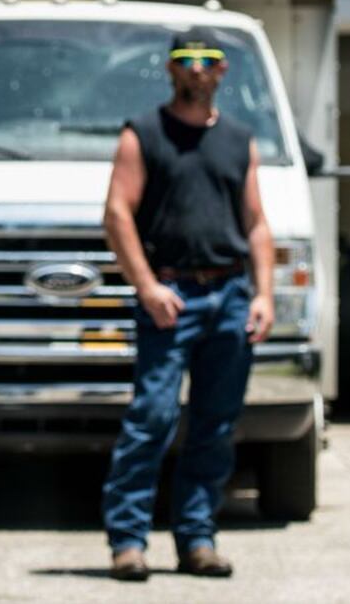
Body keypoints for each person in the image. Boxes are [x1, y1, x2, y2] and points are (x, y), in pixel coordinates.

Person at [99, 33, 275, 582]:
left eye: (206, 62)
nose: (196, 70)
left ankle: (197, 538)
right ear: (171, 70)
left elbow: (256, 222)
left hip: (230, 297)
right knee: (152, 418)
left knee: (215, 425)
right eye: (185, 61)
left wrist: (265, 294)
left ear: (222, 71)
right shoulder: (143, 134)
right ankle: (128, 542)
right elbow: (117, 214)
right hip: (170, 299)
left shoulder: (240, 140)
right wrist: (147, 285)